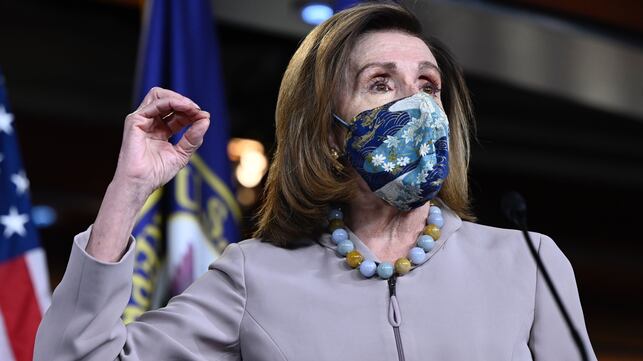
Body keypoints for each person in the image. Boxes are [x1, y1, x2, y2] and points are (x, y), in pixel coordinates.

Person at [34, 3, 597, 360]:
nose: (417, 105)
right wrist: (128, 191)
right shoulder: (256, 274)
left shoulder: (527, 261)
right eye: (381, 83)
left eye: (428, 86)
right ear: (329, 129)